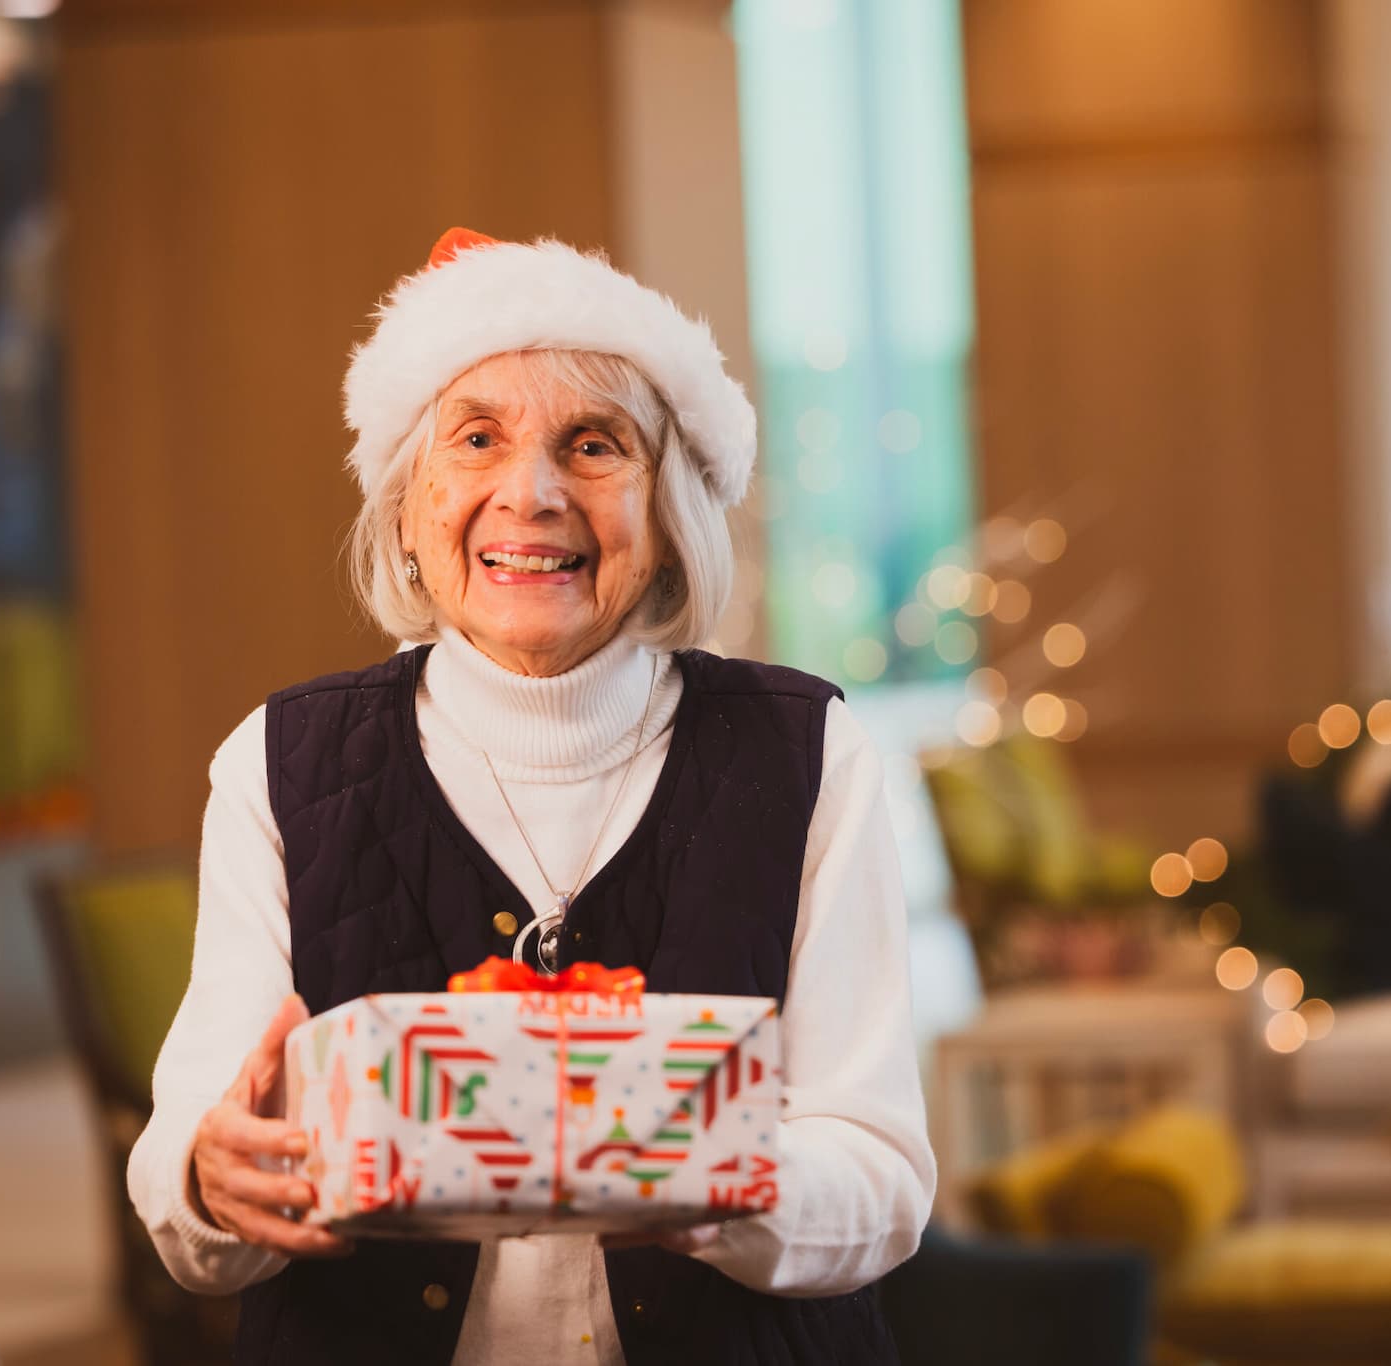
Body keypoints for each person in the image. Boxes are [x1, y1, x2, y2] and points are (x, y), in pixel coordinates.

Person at [126, 229, 935, 1365]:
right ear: (409, 505)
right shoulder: (277, 759)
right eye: (475, 439)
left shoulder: (808, 752)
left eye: (592, 444)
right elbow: (188, 1182)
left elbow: (885, 1177)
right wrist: (213, 1181)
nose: (532, 492)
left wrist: (724, 1190)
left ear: (665, 518)